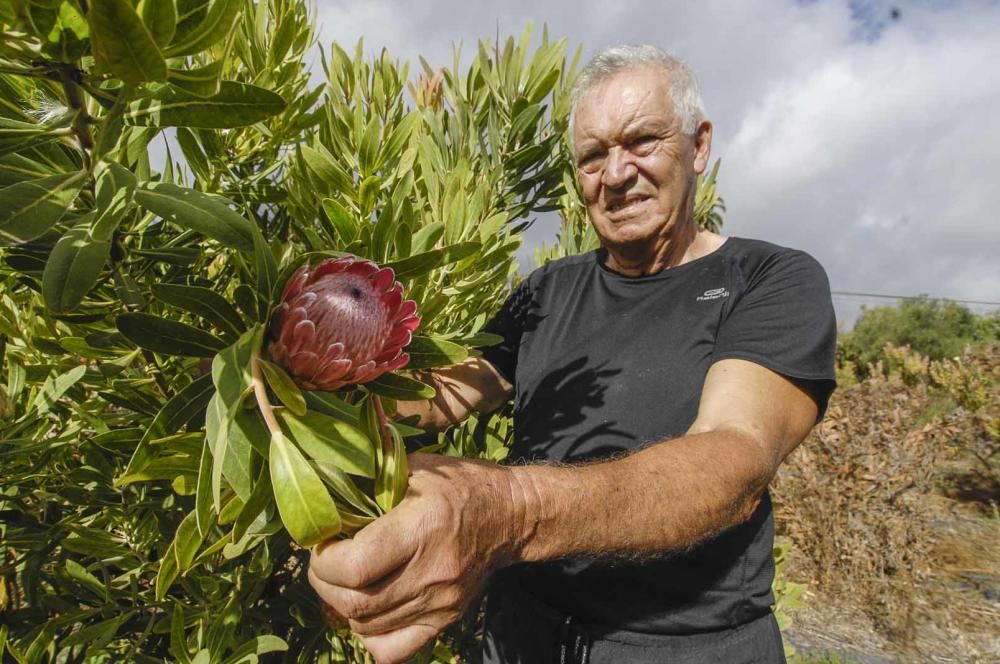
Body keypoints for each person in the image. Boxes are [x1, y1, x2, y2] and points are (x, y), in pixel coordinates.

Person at [308, 44, 837, 664]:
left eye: (642, 142)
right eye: (593, 156)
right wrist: (312, 402)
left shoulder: (770, 278)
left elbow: (734, 456)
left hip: (682, 646)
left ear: (698, 146)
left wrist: (509, 509)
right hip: (520, 636)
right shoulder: (546, 291)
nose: (616, 175)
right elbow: (443, 395)